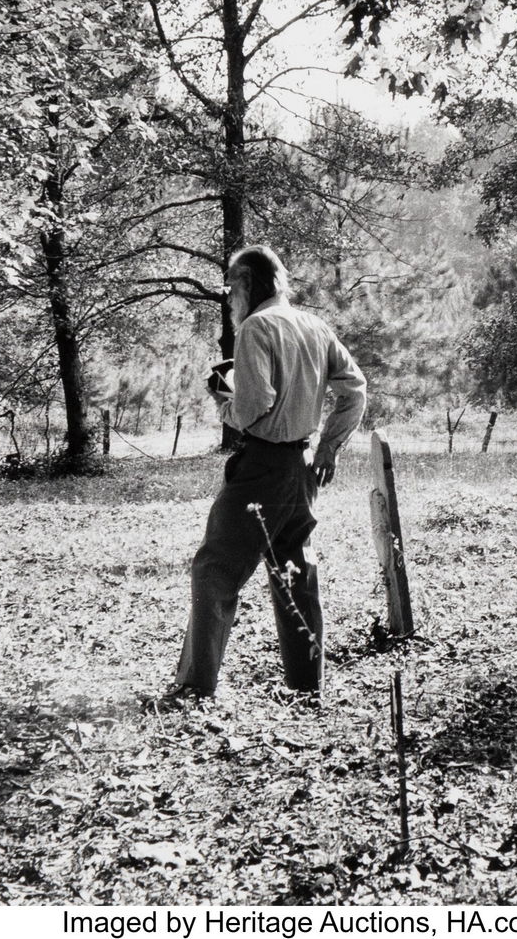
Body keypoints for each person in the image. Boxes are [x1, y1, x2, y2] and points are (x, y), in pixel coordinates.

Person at [152, 245, 366, 711]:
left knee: (215, 570)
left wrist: (222, 400)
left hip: (262, 468)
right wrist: (329, 447)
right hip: (303, 467)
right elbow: (355, 389)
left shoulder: (256, 327)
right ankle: (307, 687)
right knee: (295, 574)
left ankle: (194, 687)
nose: (230, 300)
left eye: (232, 288)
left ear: (248, 281)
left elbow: (254, 407)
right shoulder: (315, 325)